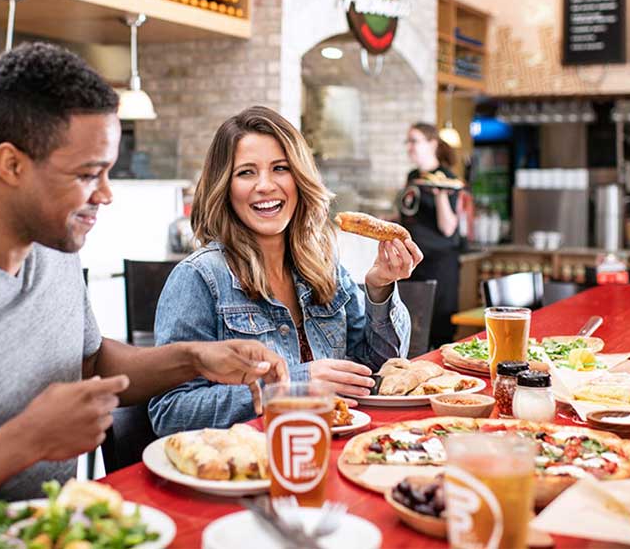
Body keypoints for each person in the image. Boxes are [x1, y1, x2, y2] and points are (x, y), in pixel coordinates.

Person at [0, 42, 287, 548]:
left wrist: (193, 359)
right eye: (87, 174)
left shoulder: (53, 250)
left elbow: (89, 364)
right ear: (11, 164)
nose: (105, 194)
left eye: (107, 171)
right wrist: (26, 441)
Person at [148, 106, 423, 436]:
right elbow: (170, 412)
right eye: (246, 172)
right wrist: (293, 385)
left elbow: (376, 371)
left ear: (299, 178)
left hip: (330, 451)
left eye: (280, 168)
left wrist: (379, 288)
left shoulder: (321, 265)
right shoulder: (200, 277)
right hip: (252, 470)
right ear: (225, 187)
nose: (265, 185)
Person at [399, 122, 461, 348]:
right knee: (413, 328)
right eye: (408, 142)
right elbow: (411, 214)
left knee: (438, 329)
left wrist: (440, 195)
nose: (409, 147)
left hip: (439, 263)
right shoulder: (413, 176)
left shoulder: (446, 178)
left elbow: (448, 228)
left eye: (414, 141)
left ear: (432, 143)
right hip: (414, 262)